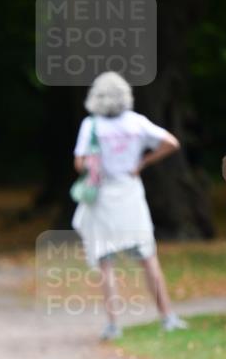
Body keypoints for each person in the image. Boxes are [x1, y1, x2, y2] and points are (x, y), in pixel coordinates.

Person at [72, 71, 188, 340]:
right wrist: (142, 163)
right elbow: (171, 142)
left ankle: (113, 324)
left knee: (105, 262)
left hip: (101, 198)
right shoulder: (136, 123)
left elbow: (79, 163)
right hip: (130, 195)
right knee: (148, 258)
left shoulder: (91, 126)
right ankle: (167, 316)